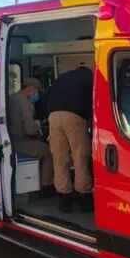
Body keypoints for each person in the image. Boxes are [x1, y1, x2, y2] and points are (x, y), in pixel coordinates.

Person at [46, 63, 94, 213]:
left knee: (59, 159)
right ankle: (84, 197)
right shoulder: (90, 78)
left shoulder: (62, 77)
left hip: (53, 116)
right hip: (74, 116)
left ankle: (64, 199)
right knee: (80, 157)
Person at [8, 77, 55, 195]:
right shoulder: (24, 102)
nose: (37, 94)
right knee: (49, 152)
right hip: (21, 141)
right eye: (37, 91)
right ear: (31, 88)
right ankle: (46, 185)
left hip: (12, 140)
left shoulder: (13, 98)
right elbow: (29, 128)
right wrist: (39, 131)